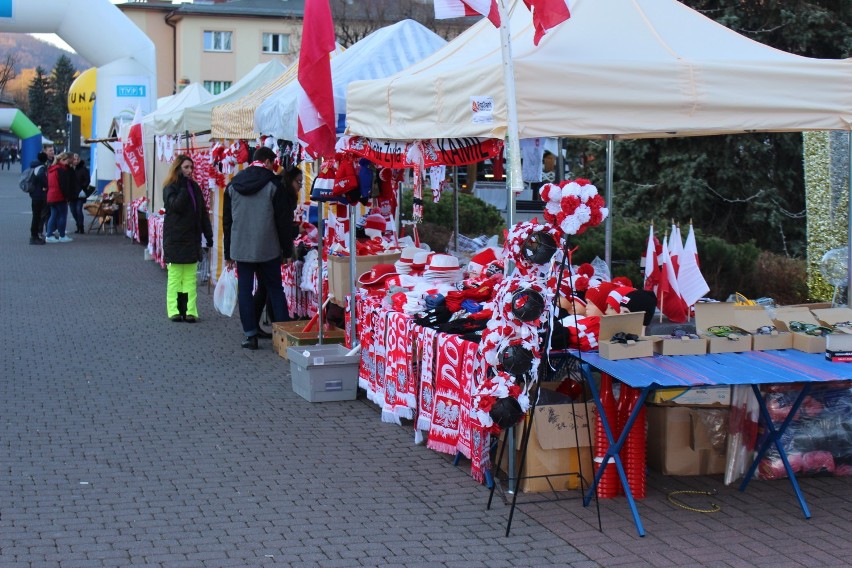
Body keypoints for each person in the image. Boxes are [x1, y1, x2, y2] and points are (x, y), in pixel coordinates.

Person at [223, 146, 297, 350]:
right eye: (273, 163)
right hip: (268, 247)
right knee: (275, 288)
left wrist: (228, 252)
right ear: (266, 162)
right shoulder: (275, 185)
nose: (274, 167)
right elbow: (283, 221)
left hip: (241, 247)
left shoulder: (233, 184)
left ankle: (250, 335)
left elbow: (227, 222)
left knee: (245, 291)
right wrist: (287, 249)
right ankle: (283, 336)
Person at [162, 155, 213, 323]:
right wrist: (183, 187)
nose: (190, 171)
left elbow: (202, 212)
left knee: (190, 278)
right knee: (175, 277)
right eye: (186, 167)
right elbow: (175, 206)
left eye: (191, 167)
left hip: (191, 238)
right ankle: (174, 310)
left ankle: (190, 310)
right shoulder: (170, 187)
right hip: (175, 238)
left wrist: (208, 233)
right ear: (178, 168)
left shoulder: (194, 187)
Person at [44, 152, 75, 243]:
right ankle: (62, 235)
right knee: (62, 215)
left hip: (51, 195)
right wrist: (67, 197)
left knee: (53, 215)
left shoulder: (51, 169)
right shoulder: (61, 170)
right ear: (62, 160)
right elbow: (63, 185)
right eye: (66, 160)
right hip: (59, 195)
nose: (68, 162)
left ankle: (49, 234)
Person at [27, 152, 49, 245]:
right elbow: (41, 176)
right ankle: (34, 236)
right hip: (39, 194)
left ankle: (34, 235)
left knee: (36, 215)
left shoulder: (34, 166)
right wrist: (46, 184)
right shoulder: (41, 168)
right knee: (37, 216)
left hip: (34, 194)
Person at [71, 154, 90, 234]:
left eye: (77, 159)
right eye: (74, 159)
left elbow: (87, 180)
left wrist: (83, 187)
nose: (75, 161)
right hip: (71, 194)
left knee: (78, 210)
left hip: (80, 193)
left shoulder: (83, 169)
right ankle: (78, 224)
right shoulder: (70, 169)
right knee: (73, 211)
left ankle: (81, 226)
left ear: (79, 160)